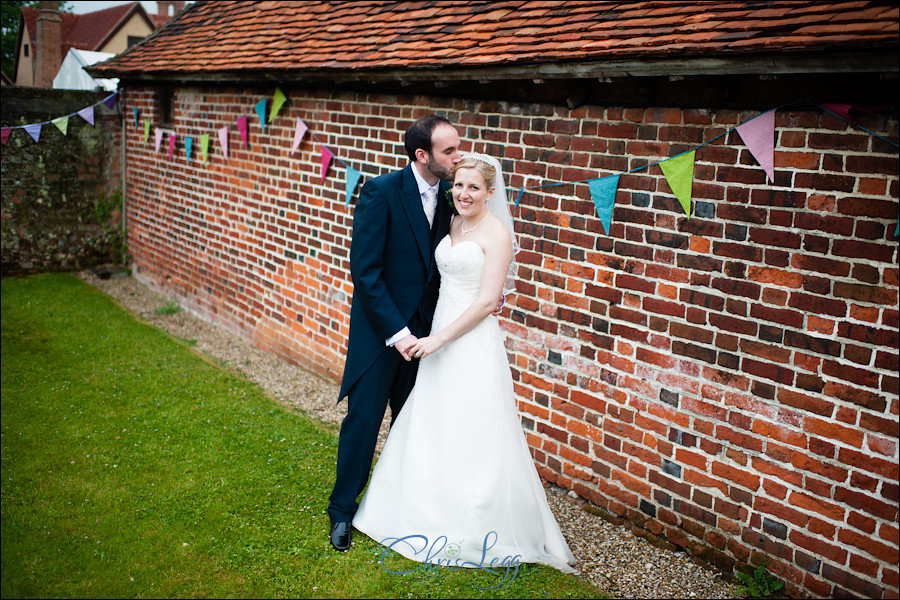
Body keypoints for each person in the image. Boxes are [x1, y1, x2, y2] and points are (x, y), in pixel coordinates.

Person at [352, 154, 577, 574]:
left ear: (492, 192)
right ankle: (418, 509)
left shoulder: (498, 235)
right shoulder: (452, 223)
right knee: (432, 419)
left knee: (473, 425)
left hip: (468, 341)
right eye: (458, 185)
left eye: (473, 187)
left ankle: (475, 523)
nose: (463, 193)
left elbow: (489, 301)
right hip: (437, 332)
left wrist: (438, 339)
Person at [327, 115, 461, 552]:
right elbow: (365, 274)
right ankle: (341, 511)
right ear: (422, 155)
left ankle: (403, 509)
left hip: (426, 339)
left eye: (457, 148)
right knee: (363, 423)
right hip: (380, 336)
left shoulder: (451, 198)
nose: (457, 157)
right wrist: (397, 333)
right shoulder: (380, 192)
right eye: (449, 151)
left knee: (413, 426)